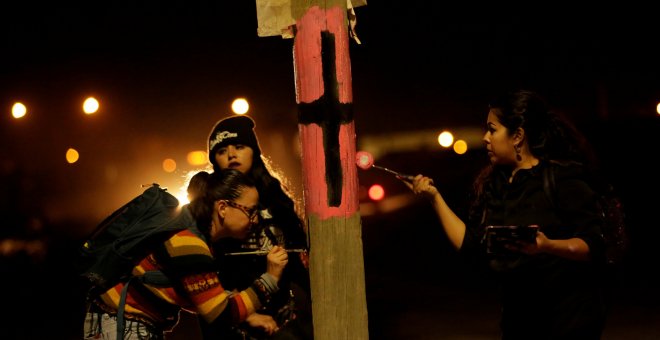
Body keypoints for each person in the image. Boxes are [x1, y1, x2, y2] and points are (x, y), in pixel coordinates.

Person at [405, 89, 608, 339]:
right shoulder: (496, 184)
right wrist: (434, 198)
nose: (485, 138)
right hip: (519, 324)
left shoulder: (561, 179)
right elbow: (473, 247)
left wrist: (547, 246)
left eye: (492, 129)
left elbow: (595, 244)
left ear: (518, 136)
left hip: (568, 322)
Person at [83, 169, 289, 339]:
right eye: (250, 211)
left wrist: (247, 314)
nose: (255, 220)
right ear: (223, 208)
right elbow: (220, 316)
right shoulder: (189, 244)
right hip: (124, 326)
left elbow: (199, 295)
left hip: (121, 322)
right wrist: (270, 278)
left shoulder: (191, 232)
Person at [206, 115, 313, 339]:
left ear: (253, 150)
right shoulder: (208, 201)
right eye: (222, 150)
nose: (231, 154)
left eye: (239, 146)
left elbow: (297, 253)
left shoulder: (275, 196)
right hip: (233, 311)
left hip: (284, 312)